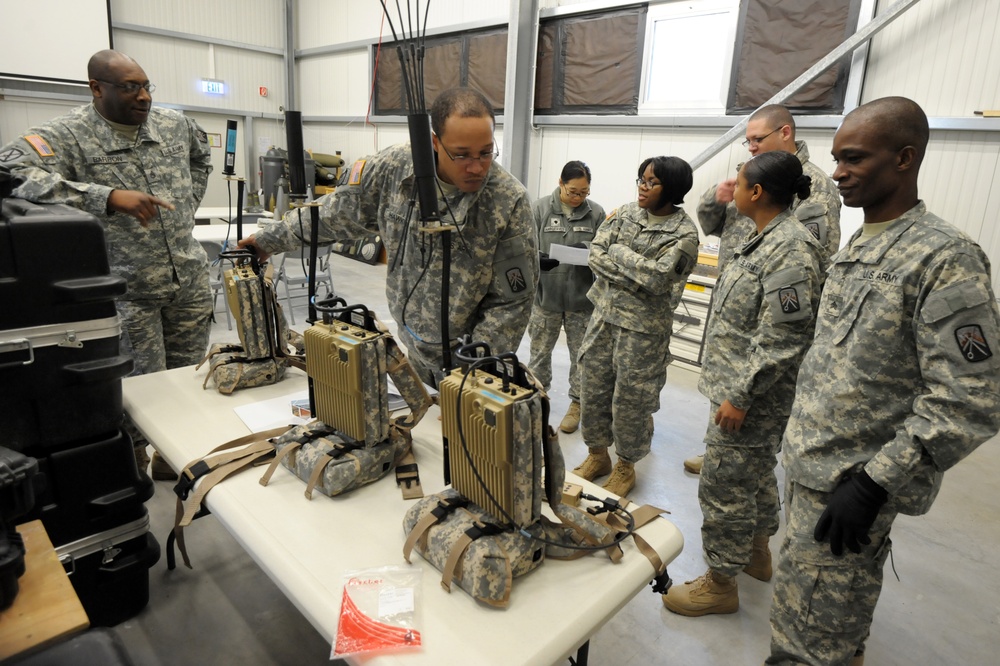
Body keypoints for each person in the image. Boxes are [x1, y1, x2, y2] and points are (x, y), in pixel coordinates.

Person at [766, 97, 1000, 665]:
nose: (838, 172)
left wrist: (875, 483)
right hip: (810, 466)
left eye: (854, 159)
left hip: (853, 482)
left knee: (813, 643)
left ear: (904, 158)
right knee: (807, 621)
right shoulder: (863, 242)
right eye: (836, 158)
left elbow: (971, 399)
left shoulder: (944, 257)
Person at [0, 49, 213, 480]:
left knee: (188, 379)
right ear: (96, 88)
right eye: (130, 87)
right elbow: (11, 171)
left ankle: (173, 460)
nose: (143, 97)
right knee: (138, 390)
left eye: (146, 85)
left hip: (187, 279)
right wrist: (106, 197)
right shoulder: (68, 134)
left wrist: (187, 203)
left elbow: (201, 156)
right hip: (127, 288)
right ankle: (130, 468)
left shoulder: (174, 124)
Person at [238, 88, 537, 384]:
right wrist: (270, 240)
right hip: (411, 347)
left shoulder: (507, 201)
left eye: (486, 152)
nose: (477, 167)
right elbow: (334, 214)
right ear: (435, 142)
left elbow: (511, 304)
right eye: (461, 155)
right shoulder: (395, 170)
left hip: (468, 359)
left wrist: (472, 377)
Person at [662, 152, 825, 617]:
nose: (730, 187)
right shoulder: (764, 238)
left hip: (752, 396)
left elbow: (784, 337)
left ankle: (720, 581)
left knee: (725, 485)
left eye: (738, 180)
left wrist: (740, 395)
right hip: (741, 386)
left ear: (756, 192)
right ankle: (756, 554)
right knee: (753, 478)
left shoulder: (790, 249)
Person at [684, 103, 842, 476]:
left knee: (744, 457)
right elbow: (714, 226)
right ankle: (721, 450)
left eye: (757, 139)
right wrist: (716, 197)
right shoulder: (751, 175)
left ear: (784, 132)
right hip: (737, 301)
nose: (751, 147)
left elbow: (811, 264)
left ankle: (728, 456)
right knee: (732, 435)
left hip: (764, 314)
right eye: (748, 141)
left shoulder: (812, 188)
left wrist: (742, 393)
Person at [572, 156, 699, 498]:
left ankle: (625, 466)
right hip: (604, 317)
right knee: (593, 387)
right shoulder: (625, 213)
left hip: (643, 331)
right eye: (640, 180)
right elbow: (595, 254)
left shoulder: (684, 234)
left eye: (651, 183)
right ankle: (597, 455)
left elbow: (658, 280)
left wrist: (619, 254)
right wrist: (631, 270)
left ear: (670, 189)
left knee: (631, 400)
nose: (642, 188)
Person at [527, 161, 606, 434]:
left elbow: (604, 251)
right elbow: (525, 247)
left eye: (584, 192)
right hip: (544, 298)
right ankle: (536, 400)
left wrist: (586, 252)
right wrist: (537, 260)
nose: (578, 197)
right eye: (573, 191)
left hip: (580, 301)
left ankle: (577, 405)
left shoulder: (595, 213)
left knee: (581, 358)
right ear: (561, 183)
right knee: (538, 354)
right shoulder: (539, 209)